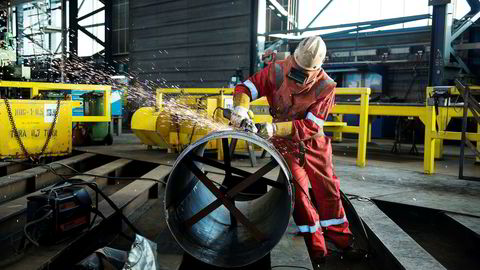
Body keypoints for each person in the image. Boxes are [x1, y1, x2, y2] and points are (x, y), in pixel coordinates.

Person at [230, 36, 365, 268]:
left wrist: (273, 128)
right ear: (293, 59)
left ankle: (342, 240)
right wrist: (240, 109)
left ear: (317, 69)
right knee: (299, 193)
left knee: (328, 191)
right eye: (296, 68)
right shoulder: (277, 71)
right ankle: (316, 248)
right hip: (285, 143)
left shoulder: (326, 86)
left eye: (304, 72)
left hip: (314, 143)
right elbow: (245, 87)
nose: (297, 75)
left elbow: (312, 126)